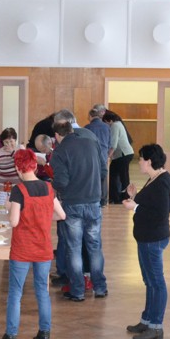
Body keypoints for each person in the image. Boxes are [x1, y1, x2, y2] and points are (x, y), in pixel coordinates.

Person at [0, 149, 65, 339]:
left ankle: (10, 338)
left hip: (23, 249)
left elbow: (15, 221)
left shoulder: (19, 190)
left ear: (18, 168)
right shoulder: (48, 187)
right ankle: (44, 335)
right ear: (34, 165)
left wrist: (10, 207)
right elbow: (61, 215)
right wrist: (42, 217)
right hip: (43, 248)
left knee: (15, 293)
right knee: (42, 291)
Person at [50, 110, 108, 301]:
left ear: (57, 135)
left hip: (73, 203)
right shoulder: (91, 142)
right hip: (93, 201)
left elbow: (62, 182)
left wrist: (53, 185)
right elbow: (103, 170)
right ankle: (100, 287)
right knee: (94, 246)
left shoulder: (60, 151)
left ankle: (77, 291)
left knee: (74, 248)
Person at [122, 144, 170, 339]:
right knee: (149, 281)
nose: (139, 162)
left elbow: (160, 214)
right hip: (146, 237)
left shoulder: (162, 182)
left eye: (141, 159)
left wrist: (135, 207)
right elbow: (151, 204)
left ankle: (156, 327)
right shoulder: (155, 178)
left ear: (150, 161)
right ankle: (147, 320)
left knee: (157, 283)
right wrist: (135, 197)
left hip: (154, 238)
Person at [103, 109, 135, 204]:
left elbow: (114, 144)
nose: (106, 125)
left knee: (120, 176)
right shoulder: (118, 123)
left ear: (109, 120)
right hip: (125, 154)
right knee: (121, 176)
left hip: (123, 154)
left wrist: (108, 156)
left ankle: (122, 197)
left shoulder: (115, 126)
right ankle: (119, 197)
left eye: (105, 122)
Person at [84, 104, 112, 206]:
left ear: (91, 116)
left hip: (91, 154)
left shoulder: (87, 127)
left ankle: (93, 198)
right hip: (103, 153)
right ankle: (103, 200)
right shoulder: (107, 127)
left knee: (92, 175)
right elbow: (110, 143)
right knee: (103, 177)